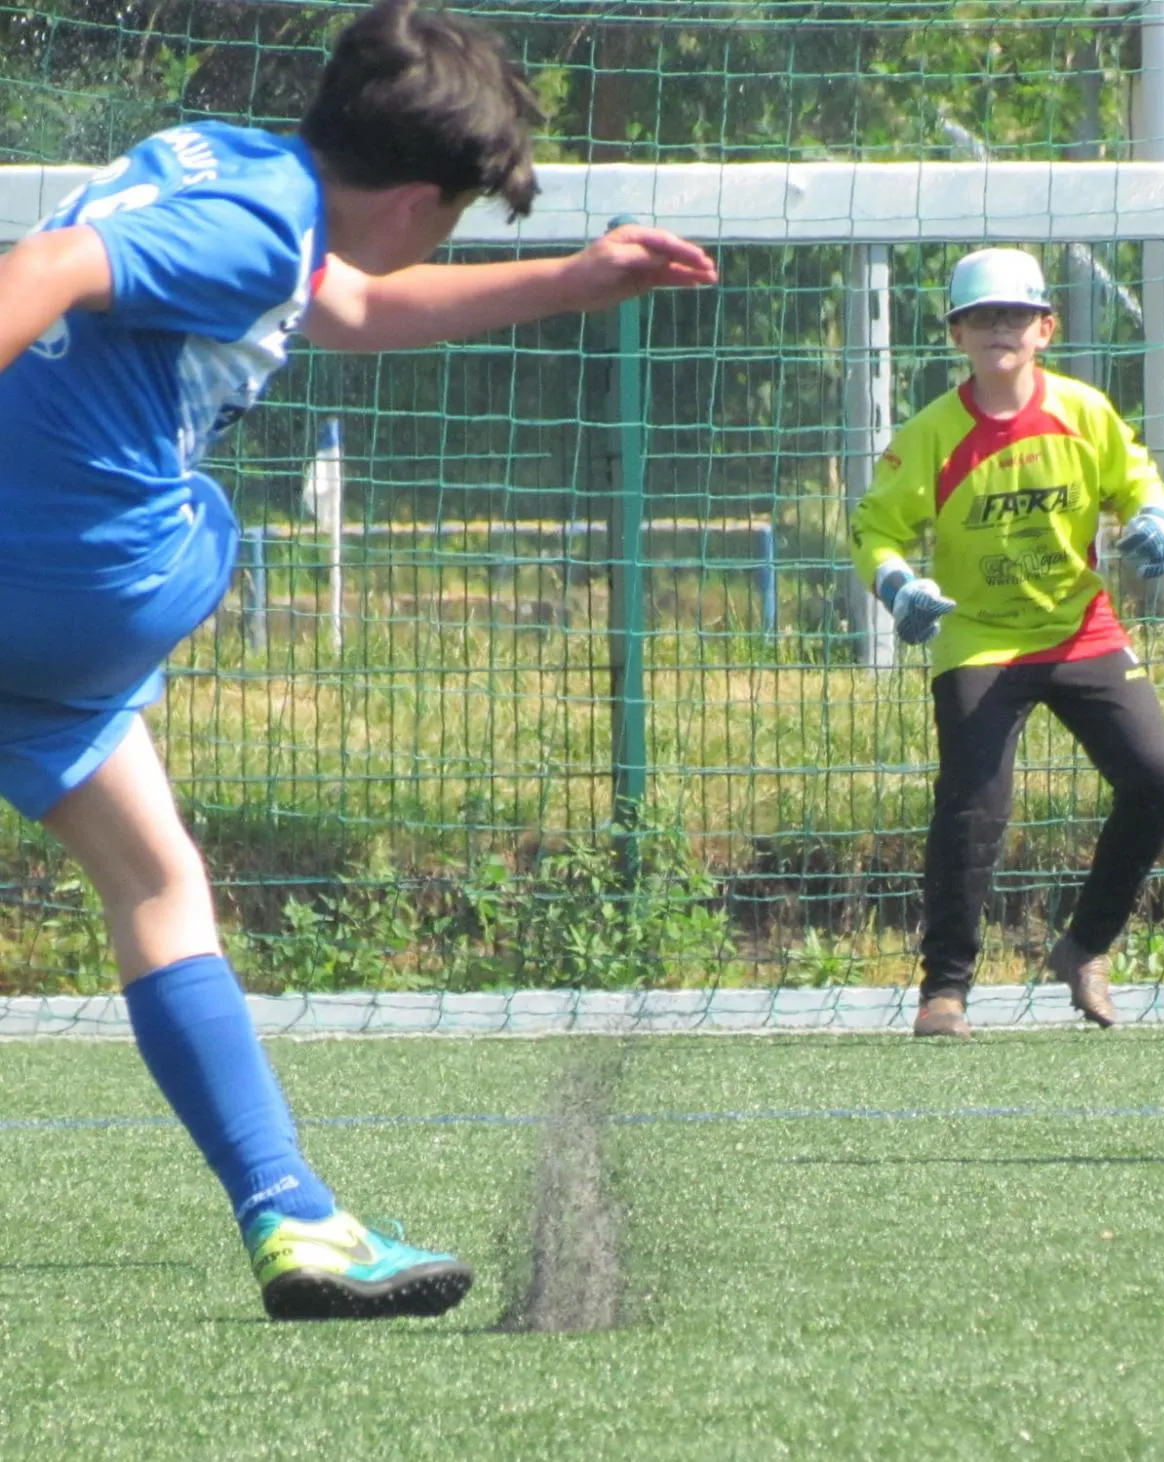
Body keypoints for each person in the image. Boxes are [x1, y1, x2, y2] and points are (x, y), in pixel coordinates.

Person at [0, 0, 718, 1317]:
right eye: (456, 218)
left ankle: (294, 1214)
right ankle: (289, 1212)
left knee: (157, 876)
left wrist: (569, 279)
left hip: (30, 596)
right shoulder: (261, 225)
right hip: (86, 583)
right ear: (413, 200)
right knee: (197, 528)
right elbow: (42, 270)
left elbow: (351, 304)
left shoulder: (226, 161)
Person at [847, 247, 1164, 1040]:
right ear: (956, 335)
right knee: (973, 807)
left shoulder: (1085, 412)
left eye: (1016, 315)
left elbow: (1139, 481)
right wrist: (897, 585)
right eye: (982, 317)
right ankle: (945, 992)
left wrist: (1154, 521)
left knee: (1158, 781)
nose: (1000, 328)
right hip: (978, 639)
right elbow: (874, 528)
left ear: (1046, 329)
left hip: (1080, 629)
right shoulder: (931, 434)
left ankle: (1085, 946)